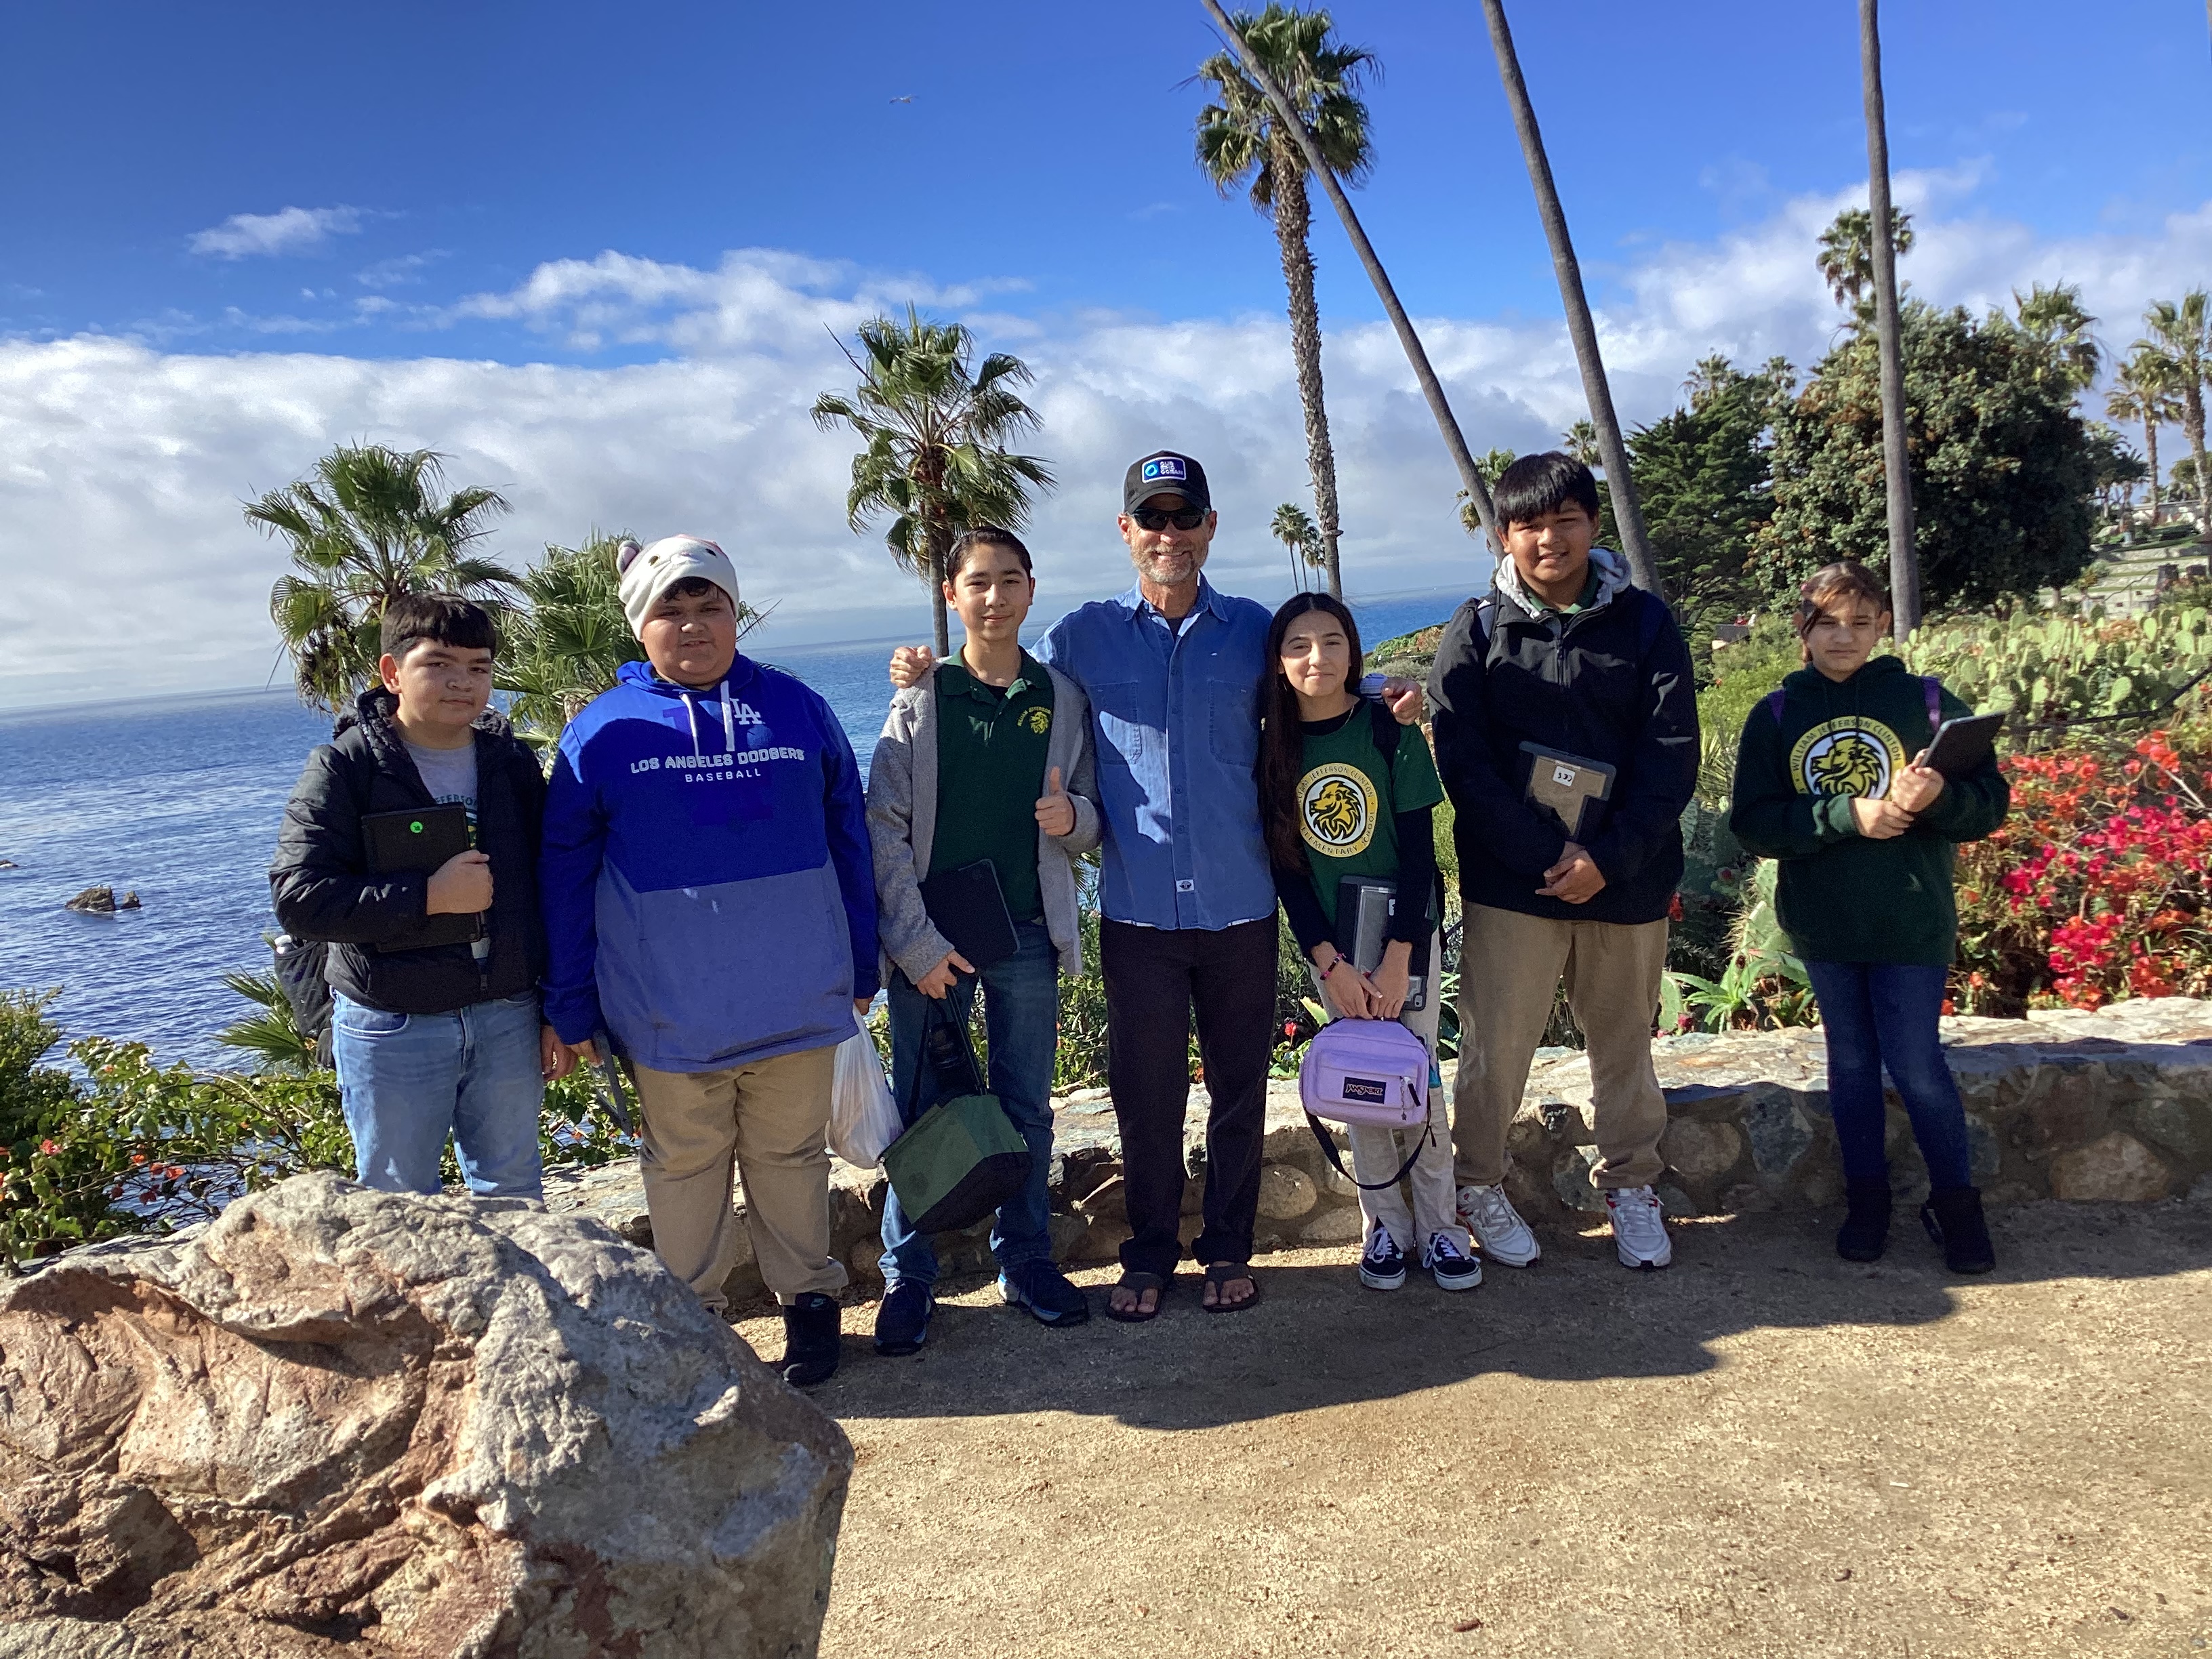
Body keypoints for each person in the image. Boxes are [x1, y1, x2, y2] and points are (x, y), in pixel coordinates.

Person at [890, 450, 1424, 1319]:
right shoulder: (1082, 639)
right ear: (1126, 531)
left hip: (1240, 906)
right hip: (1136, 913)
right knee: (1146, 1099)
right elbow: (1003, 676)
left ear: (1210, 528)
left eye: (1185, 518)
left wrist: (1382, 691)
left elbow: (1314, 681)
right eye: (1153, 518)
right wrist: (922, 676)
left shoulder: (1255, 628)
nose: (1168, 534)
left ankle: (1225, 1250)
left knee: (1240, 1090)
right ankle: (1147, 1256)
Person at [539, 535, 878, 1387]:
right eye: (671, 610)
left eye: (710, 606)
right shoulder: (600, 732)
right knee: (684, 1169)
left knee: (792, 1160)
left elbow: (851, 838)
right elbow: (563, 876)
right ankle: (694, 1324)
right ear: (640, 625)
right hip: (668, 1013)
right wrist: (570, 1001)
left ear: (735, 613)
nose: (692, 625)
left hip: (798, 996)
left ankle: (810, 1307)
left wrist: (861, 961)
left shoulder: (797, 709)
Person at [1427, 451, 1698, 1271]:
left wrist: (1605, 860)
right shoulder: (1475, 631)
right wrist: (1550, 854)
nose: (1549, 539)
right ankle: (1476, 1183)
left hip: (1627, 881)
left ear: (1591, 524)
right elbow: (1463, 765)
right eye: (1529, 525)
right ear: (1504, 537)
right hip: (1516, 886)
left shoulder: (1646, 624)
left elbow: (1670, 759)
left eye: (1565, 520)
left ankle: (1633, 1185)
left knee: (1624, 1046)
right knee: (1493, 1049)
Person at [1728, 561, 2009, 1272]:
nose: (1844, 637)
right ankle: (1868, 1200)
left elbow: (1989, 807)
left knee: (1917, 1064)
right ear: (1804, 632)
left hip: (1912, 922)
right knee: (1850, 1066)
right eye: (1827, 623)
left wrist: (1936, 798)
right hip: (1826, 925)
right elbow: (1755, 825)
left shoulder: (1932, 704)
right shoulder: (1778, 716)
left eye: (1860, 622)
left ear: (1883, 625)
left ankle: (1957, 1206)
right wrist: (1847, 813)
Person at [865, 527, 1103, 1353]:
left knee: (1027, 1107)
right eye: (978, 583)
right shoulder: (922, 698)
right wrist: (916, 945)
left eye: (1009, 581)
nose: (994, 597)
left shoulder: (1064, 698)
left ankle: (1027, 1258)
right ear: (951, 597)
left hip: (1026, 935)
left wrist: (1075, 821)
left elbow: (1094, 812)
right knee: (921, 1111)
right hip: (933, 947)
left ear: (1032, 591)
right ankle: (910, 1275)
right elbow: (883, 828)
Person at [270, 594, 565, 1199]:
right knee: (397, 1202)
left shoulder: (510, 765)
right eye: (439, 664)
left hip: (508, 1012)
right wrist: (427, 895)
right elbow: (300, 897)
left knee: (514, 1192)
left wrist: (558, 1009)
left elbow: (552, 889)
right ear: (392, 672)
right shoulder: (345, 767)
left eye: (479, 668)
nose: (463, 683)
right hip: (393, 1020)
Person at [1258, 593, 1480, 1293]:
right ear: (1279, 660)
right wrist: (1330, 962)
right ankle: (1383, 1226)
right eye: (1298, 645)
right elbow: (1289, 872)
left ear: (1354, 652)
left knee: (1420, 1085)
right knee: (1362, 1087)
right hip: (1337, 952)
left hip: (1404, 940)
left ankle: (1443, 1228)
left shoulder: (1389, 733)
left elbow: (1423, 860)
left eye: (1331, 642)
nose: (1316, 658)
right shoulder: (1271, 746)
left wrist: (1399, 956)